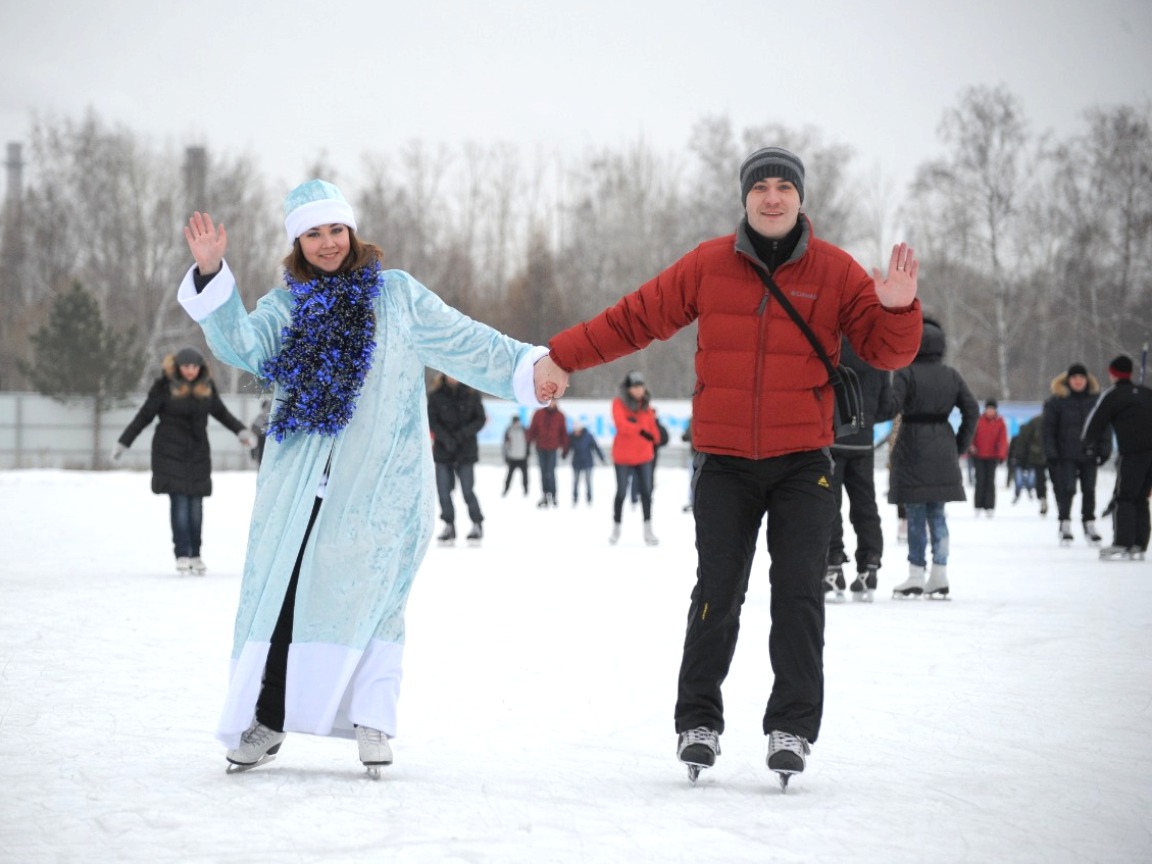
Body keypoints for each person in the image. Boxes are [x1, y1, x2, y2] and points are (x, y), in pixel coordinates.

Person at [534, 146, 922, 787]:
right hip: (725, 463)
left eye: (784, 187)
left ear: (801, 198)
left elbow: (885, 352)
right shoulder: (709, 264)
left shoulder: (836, 271)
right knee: (717, 593)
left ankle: (791, 727)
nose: (773, 198)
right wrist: (564, 355)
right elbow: (635, 318)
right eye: (761, 187)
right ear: (745, 198)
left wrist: (900, 308)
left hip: (804, 462)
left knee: (799, 596)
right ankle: (699, 722)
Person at [178, 179, 550, 774]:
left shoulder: (395, 296)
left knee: (377, 599)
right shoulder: (287, 306)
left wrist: (530, 366)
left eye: (335, 229)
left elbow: (463, 340)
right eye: (313, 233)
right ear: (297, 242)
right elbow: (243, 345)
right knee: (286, 600)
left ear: (352, 231)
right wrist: (212, 274)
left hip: (381, 486)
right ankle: (267, 722)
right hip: (302, 488)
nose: (327, 243)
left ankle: (371, 720)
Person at [112, 347, 253, 575]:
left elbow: (222, 413)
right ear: (177, 367)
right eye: (186, 367)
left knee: (196, 507)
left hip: (197, 454)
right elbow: (144, 416)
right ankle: (182, 554)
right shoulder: (163, 387)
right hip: (169, 454)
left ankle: (196, 555)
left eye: (194, 367)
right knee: (180, 504)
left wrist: (241, 432)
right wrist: (124, 442)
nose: (190, 371)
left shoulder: (206, 387)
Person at [887, 318, 979, 600]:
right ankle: (939, 573)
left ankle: (916, 573)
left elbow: (891, 405)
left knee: (915, 512)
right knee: (937, 513)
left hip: (912, 445)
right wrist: (958, 444)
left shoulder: (906, 373)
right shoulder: (951, 375)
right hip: (942, 445)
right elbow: (971, 410)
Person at [825, 336, 894, 603]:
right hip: (862, 443)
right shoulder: (876, 354)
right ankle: (870, 563)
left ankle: (832, 565)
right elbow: (887, 407)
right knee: (865, 505)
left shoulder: (829, 349)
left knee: (830, 504)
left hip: (832, 439)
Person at [1082, 355, 1152, 559]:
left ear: (1112, 373)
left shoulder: (1114, 395)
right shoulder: (1147, 393)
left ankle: (1123, 542)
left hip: (1132, 453)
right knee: (1141, 497)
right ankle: (1139, 543)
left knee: (1125, 496)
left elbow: (1095, 423)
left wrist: (1087, 443)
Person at [1043, 362, 1111, 545]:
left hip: (1089, 453)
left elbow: (1104, 427)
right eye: (1074, 378)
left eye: (1081, 378)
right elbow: (1048, 430)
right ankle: (1064, 524)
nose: (1078, 381)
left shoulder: (1095, 400)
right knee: (1068, 489)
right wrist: (1051, 453)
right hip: (1065, 454)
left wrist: (1104, 449)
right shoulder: (1057, 401)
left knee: (1089, 490)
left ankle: (1089, 524)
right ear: (1068, 380)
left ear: (1086, 380)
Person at [427, 373, 487, 543]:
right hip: (443, 451)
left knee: (467, 490)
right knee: (444, 490)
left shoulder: (471, 394)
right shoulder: (435, 395)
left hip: (465, 451)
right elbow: (432, 421)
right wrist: (446, 439)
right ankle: (448, 525)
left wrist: (462, 435)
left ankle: (476, 522)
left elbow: (480, 419)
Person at [609, 371, 660, 545]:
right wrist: (639, 429)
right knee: (622, 492)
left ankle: (648, 528)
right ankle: (616, 526)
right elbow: (621, 425)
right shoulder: (618, 403)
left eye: (641, 387)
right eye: (635, 387)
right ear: (628, 389)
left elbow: (653, 431)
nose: (639, 391)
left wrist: (655, 435)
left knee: (647, 492)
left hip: (644, 456)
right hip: (623, 457)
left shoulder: (647, 406)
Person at [968, 399, 1009, 516]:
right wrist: (971, 446)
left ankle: (989, 506)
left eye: (992, 409)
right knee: (980, 480)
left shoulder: (1000, 422)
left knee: (990, 481)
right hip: (978, 456)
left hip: (992, 456)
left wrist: (1001, 455)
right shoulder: (978, 421)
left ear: (995, 410)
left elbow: (1003, 439)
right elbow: (971, 435)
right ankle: (978, 506)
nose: (990, 411)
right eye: (988, 409)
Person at [527, 401, 569, 508]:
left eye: (554, 401)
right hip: (541, 447)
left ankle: (553, 495)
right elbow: (533, 430)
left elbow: (563, 432)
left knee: (551, 472)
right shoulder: (539, 414)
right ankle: (545, 494)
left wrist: (565, 448)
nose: (552, 404)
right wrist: (528, 443)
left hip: (552, 448)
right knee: (543, 472)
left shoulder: (560, 416)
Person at [1012, 413, 1050, 516]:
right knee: (1039, 480)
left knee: (1059, 482)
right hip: (1038, 458)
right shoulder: (1036, 422)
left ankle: (1060, 503)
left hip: (1056, 457)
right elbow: (1024, 441)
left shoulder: (1062, 420)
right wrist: (1020, 458)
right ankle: (1042, 499)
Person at [566, 420, 606, 505]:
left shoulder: (588, 436)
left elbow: (596, 447)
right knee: (576, 481)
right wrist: (564, 454)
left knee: (588, 481)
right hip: (576, 462)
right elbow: (567, 448)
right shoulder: (571, 437)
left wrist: (602, 458)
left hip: (587, 462)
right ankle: (575, 498)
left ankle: (589, 498)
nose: (576, 431)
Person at [501, 415, 530, 497]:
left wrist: (527, 452)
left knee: (525, 476)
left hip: (522, 457)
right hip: (513, 457)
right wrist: (506, 456)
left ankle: (526, 490)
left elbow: (528, 442)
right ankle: (506, 489)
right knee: (509, 476)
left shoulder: (524, 430)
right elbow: (505, 445)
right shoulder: (509, 431)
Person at [250, 398, 271, 465]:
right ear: (263, 408)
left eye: (269, 407)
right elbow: (253, 436)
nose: (267, 410)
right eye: (266, 407)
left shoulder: (274, 419)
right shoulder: (258, 420)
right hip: (261, 447)